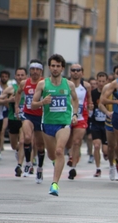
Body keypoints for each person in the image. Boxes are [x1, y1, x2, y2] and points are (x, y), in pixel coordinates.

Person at [31, 54, 79, 196]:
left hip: (63, 123)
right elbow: (32, 105)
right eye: (53, 65)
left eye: (58, 66)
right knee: (52, 155)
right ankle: (55, 163)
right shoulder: (43, 84)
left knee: (59, 151)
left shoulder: (69, 84)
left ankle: (54, 184)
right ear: (49, 67)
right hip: (47, 124)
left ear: (62, 68)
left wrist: (75, 114)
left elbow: (75, 101)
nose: (55, 68)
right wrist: (42, 102)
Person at [15, 59, 45, 182]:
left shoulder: (45, 83)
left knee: (40, 145)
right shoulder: (24, 83)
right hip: (28, 114)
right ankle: (28, 162)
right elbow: (18, 93)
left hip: (41, 116)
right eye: (32, 69)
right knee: (27, 138)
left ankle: (40, 169)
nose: (35, 72)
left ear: (41, 71)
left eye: (37, 69)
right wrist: (17, 106)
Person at [0, 67, 28, 175]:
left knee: (23, 141)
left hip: (25, 119)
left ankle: (19, 165)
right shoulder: (11, 89)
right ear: (15, 76)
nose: (20, 77)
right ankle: (18, 152)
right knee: (15, 145)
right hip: (12, 119)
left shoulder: (29, 88)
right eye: (18, 75)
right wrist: (9, 100)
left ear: (26, 76)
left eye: (22, 75)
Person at [66, 64, 93, 180]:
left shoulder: (86, 86)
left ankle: (73, 167)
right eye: (73, 70)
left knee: (77, 141)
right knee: (68, 143)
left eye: (78, 70)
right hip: (66, 117)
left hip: (81, 117)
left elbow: (89, 100)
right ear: (70, 72)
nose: (75, 72)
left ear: (82, 72)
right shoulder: (65, 84)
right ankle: (70, 154)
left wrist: (91, 106)